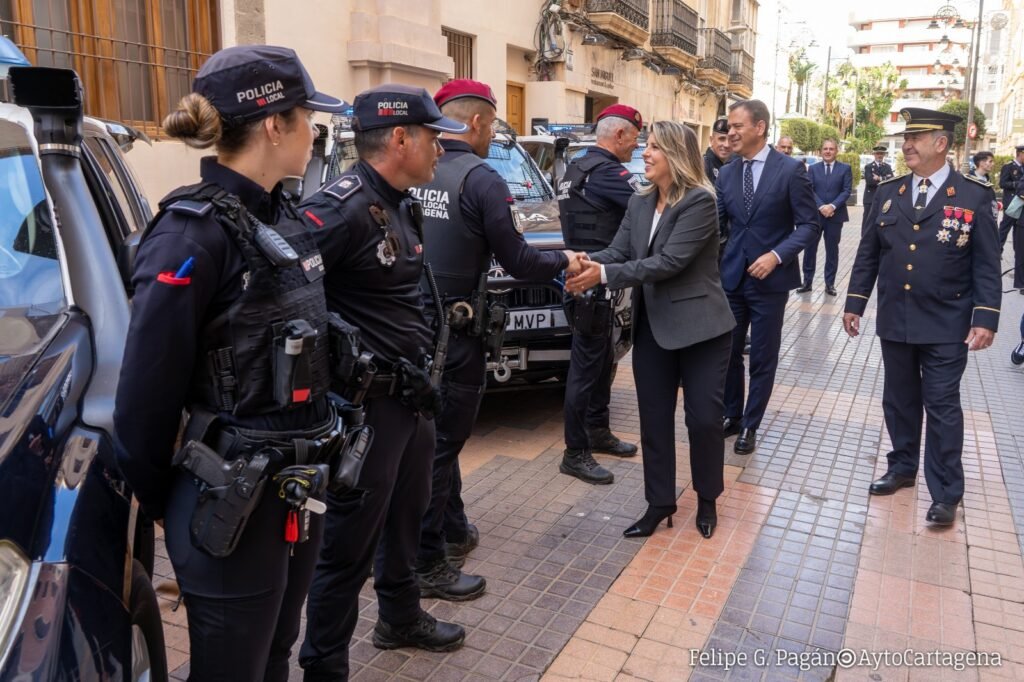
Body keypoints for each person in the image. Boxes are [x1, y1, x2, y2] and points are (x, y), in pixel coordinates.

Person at [113, 45, 348, 681]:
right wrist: (164, 500)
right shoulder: (192, 233)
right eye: (310, 119)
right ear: (275, 124)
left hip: (292, 490)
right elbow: (142, 396)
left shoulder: (280, 215)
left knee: (274, 653)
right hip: (229, 500)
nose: (315, 134)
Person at [298, 84, 468, 680]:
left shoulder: (400, 201)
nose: (441, 150)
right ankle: (324, 664)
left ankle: (399, 616)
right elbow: (290, 299)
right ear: (400, 139)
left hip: (411, 399)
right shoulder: (338, 209)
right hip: (367, 409)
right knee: (346, 548)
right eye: (434, 138)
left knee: (408, 514)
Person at [410, 79, 580, 598]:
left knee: (437, 438)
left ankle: (454, 528)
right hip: (457, 333)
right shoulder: (482, 179)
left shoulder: (417, 168)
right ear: (480, 122)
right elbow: (520, 261)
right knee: (441, 447)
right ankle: (427, 559)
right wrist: (565, 262)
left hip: (413, 327)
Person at [565, 121, 734, 539]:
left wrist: (602, 275)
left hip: (702, 331)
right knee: (654, 421)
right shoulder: (639, 203)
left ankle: (708, 498)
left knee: (705, 421)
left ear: (676, 155)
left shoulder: (700, 202)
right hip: (654, 330)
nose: (645, 152)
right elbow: (620, 251)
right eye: (647, 145)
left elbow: (667, 263)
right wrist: (582, 263)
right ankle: (659, 504)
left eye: (655, 147)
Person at [843, 107, 1000, 527]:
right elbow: (868, 253)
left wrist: (985, 317)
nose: (906, 146)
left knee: (943, 404)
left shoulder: (973, 195)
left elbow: (987, 262)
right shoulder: (889, 191)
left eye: (916, 138)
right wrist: (855, 302)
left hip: (948, 322)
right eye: (905, 139)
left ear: (942, 144)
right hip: (897, 317)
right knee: (899, 399)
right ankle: (902, 466)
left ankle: (947, 492)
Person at [717, 99, 820, 455]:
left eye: (737, 126)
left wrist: (776, 256)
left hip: (770, 282)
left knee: (762, 355)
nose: (730, 132)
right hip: (731, 278)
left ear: (759, 128)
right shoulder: (727, 172)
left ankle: (750, 424)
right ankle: (731, 414)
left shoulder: (790, 170)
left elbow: (809, 224)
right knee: (727, 352)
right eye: (729, 127)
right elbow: (718, 223)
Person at [556, 104, 643, 485]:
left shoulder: (576, 166)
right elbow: (647, 209)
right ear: (619, 135)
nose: (636, 149)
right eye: (635, 140)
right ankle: (575, 452)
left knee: (603, 358)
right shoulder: (609, 173)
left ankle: (597, 430)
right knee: (586, 367)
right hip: (592, 282)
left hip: (588, 279)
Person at [798, 138, 851, 296]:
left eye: (831, 149)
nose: (828, 151)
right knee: (809, 250)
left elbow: (846, 191)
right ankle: (807, 282)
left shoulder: (845, 169)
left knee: (832, 251)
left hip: (835, 216)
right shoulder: (813, 169)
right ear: (821, 151)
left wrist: (832, 206)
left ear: (836, 151)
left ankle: (830, 284)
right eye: (825, 149)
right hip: (816, 216)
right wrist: (822, 206)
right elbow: (810, 189)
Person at [862, 144, 894, 233]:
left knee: (881, 220)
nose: (880, 155)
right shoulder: (868, 167)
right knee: (867, 221)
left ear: (884, 155)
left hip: (883, 198)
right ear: (874, 154)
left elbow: (891, 180)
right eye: (878, 153)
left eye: (881, 153)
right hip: (870, 198)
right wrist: (884, 178)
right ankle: (865, 239)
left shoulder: (887, 167)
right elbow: (870, 182)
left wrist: (879, 178)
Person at [998, 145, 1024, 248]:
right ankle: (997, 251)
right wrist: (1017, 184)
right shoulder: (1008, 166)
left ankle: (1017, 256)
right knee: (1004, 229)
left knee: (1018, 231)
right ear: (1020, 154)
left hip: (1021, 203)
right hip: (1011, 204)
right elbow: (1002, 183)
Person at [703, 117, 732, 183]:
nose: (726, 145)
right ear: (711, 140)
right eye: (722, 139)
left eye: (731, 140)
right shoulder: (703, 166)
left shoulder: (732, 166)